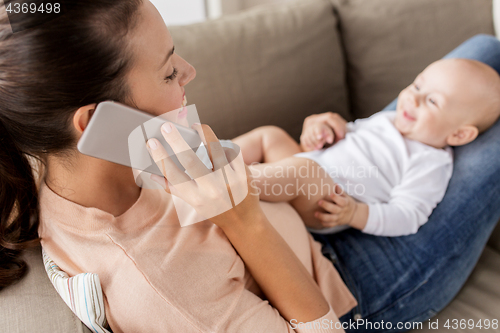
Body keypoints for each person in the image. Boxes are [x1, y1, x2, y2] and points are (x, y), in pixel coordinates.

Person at [1, 1, 499, 333]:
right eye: (170, 70)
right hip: (353, 285)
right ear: (94, 122)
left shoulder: (94, 160)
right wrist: (244, 219)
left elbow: (261, 164)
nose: (191, 73)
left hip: (319, 217)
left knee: (484, 56)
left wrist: (288, 172)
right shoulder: (159, 286)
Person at [231, 58, 500, 236]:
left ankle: (225, 180)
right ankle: (212, 155)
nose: (411, 97)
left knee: (303, 170)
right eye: (417, 85)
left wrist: (354, 213)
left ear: (460, 134)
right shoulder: (389, 119)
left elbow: (408, 215)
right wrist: (324, 132)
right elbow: (348, 138)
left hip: (325, 201)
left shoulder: (430, 162)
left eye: (432, 101)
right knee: (271, 136)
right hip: (305, 165)